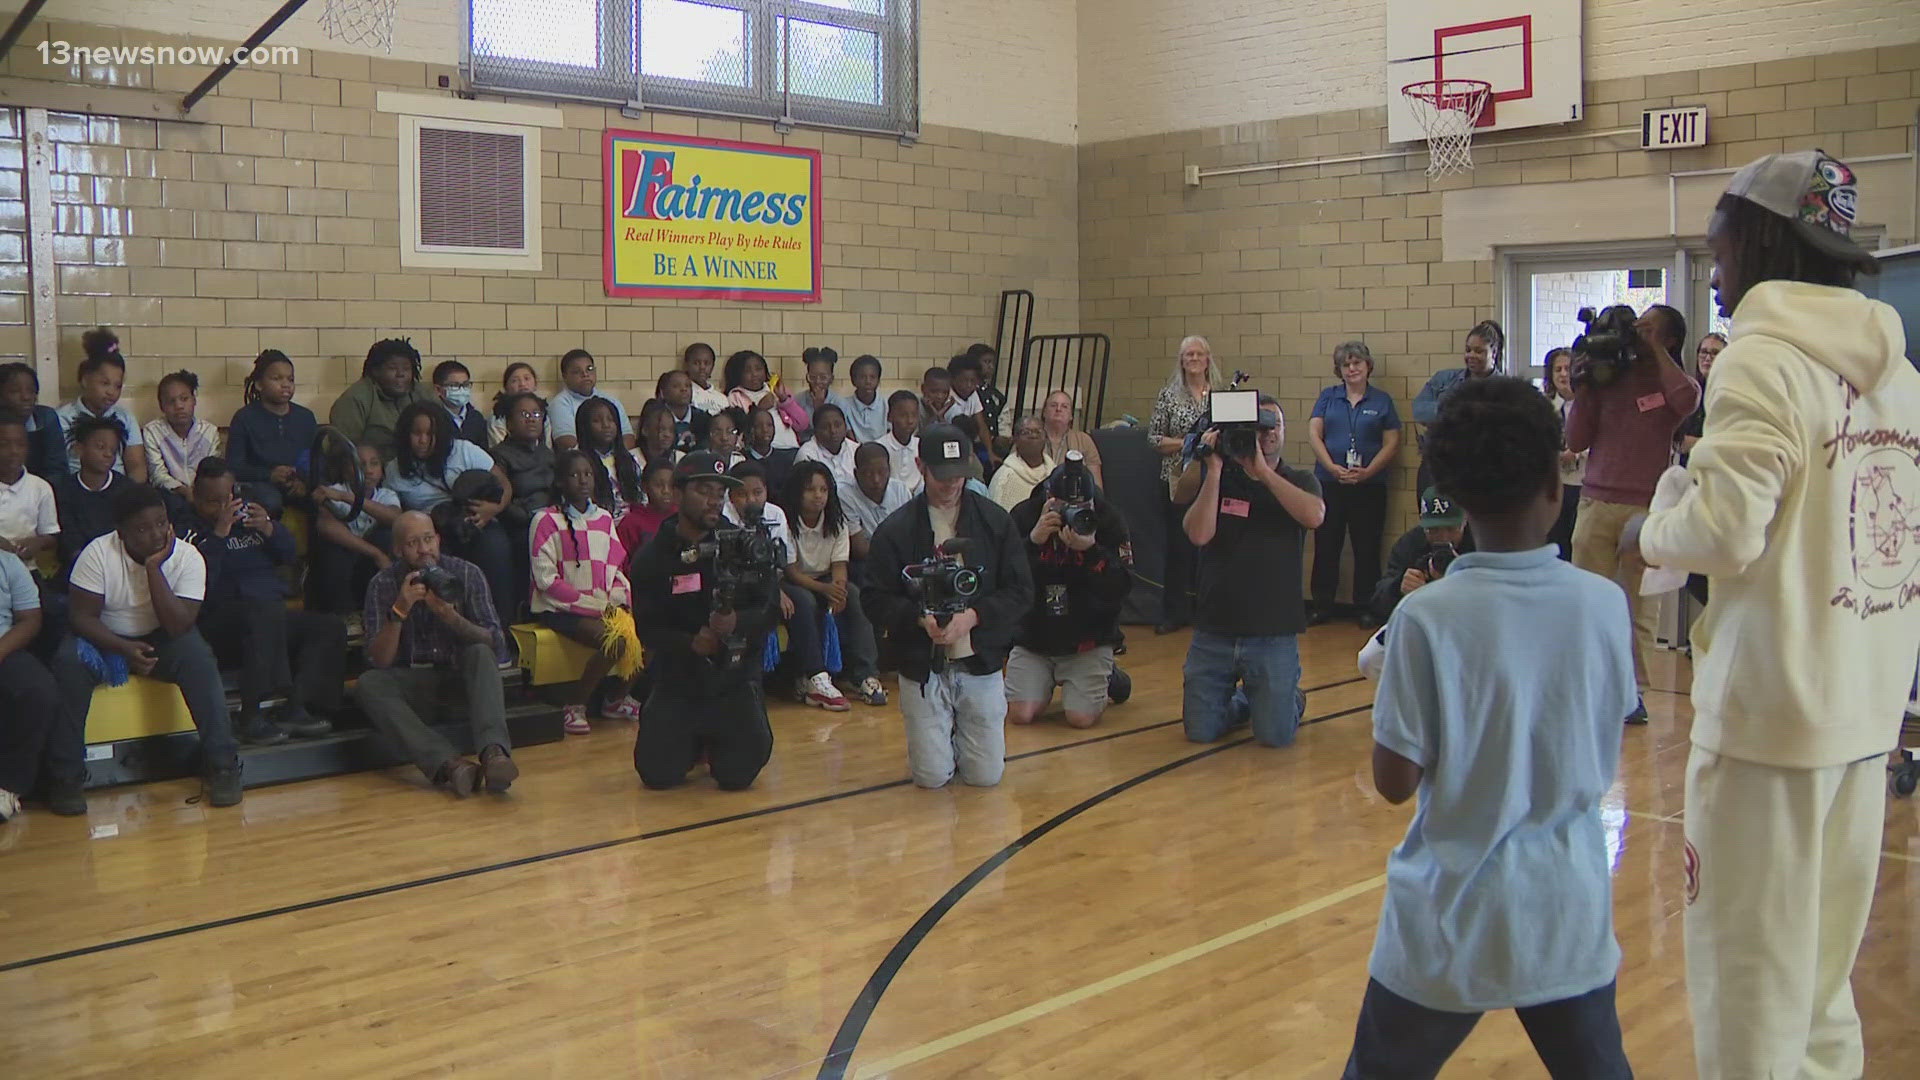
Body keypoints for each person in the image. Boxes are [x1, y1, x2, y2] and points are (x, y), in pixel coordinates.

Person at [1621, 150, 1920, 1080]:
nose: (1716, 278)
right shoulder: (1899, 374)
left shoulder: (1762, 362)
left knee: (1750, 985)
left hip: (1769, 722)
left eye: (1718, 251)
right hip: (1865, 716)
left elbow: (1723, 531)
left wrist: (1649, 525)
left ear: (1759, 240)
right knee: (1823, 984)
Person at [1343, 375, 1636, 1079]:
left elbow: (1392, 783)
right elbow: (1603, 727)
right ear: (1556, 487)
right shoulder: (1603, 604)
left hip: (1449, 915)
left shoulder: (1427, 617)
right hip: (1565, 908)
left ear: (1455, 496)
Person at [863, 423, 1033, 789]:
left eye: (960, 476)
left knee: (986, 776)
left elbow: (1020, 591)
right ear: (922, 466)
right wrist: (919, 619)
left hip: (980, 660)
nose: (952, 484)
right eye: (942, 476)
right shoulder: (896, 530)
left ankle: (961, 740)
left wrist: (974, 617)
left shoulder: (995, 522)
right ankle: (935, 744)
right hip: (922, 664)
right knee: (931, 777)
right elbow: (874, 599)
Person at [51, 485, 239, 811]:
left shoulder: (187, 557)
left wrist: (153, 568)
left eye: (161, 523)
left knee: (199, 658)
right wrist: (123, 648)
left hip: (163, 636)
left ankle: (222, 765)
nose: (155, 534)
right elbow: (81, 617)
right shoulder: (97, 554)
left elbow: (179, 626)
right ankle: (65, 776)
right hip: (104, 638)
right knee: (68, 662)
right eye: (142, 528)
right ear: (121, 533)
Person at [1566, 303, 1699, 725]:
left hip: (1648, 509)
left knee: (1638, 608)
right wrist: (1585, 390)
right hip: (1597, 503)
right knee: (1588, 601)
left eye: (1650, 327)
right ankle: (1588, 686)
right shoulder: (1610, 377)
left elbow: (1686, 399)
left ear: (1670, 339)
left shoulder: (1667, 379)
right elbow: (1576, 438)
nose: (1638, 330)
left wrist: (1654, 353)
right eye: (1637, 325)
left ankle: (1631, 693)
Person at [1180, 394, 1324, 748]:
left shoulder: (1300, 480)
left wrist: (1262, 472)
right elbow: (1198, 533)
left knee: (1274, 738)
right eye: (1260, 426)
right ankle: (1252, 701)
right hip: (1215, 629)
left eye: (1275, 424)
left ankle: (1287, 698)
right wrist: (1212, 469)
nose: (1269, 432)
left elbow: (1314, 516)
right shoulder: (1221, 479)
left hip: (1272, 631)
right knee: (1200, 732)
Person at [630, 452, 778, 791]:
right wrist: (688, 642)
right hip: (680, 680)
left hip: (735, 680)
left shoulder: (744, 546)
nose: (714, 501)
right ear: (678, 494)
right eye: (704, 491)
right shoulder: (653, 557)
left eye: (720, 493)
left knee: (737, 777)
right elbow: (646, 628)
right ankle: (691, 742)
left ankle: (723, 738)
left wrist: (737, 621)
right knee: (658, 776)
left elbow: (769, 611)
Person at [173, 458, 343, 745]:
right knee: (262, 611)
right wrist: (219, 534)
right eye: (214, 502)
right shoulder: (187, 531)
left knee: (327, 626)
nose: (224, 508)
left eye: (229, 498)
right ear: (196, 497)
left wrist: (269, 528)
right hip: (219, 623)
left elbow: (289, 555)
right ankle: (250, 714)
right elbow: (200, 584)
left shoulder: (250, 521)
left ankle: (296, 706)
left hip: (266, 618)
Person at [355, 511, 517, 797]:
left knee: (480, 652)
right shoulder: (382, 584)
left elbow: (495, 643)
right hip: (414, 685)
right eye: (413, 543)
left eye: (428, 539)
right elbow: (379, 661)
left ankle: (494, 756)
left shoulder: (467, 573)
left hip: (462, 683)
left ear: (439, 540)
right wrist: (399, 612)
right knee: (369, 684)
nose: (423, 550)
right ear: (397, 550)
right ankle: (451, 766)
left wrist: (449, 616)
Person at [1005, 453, 1131, 729]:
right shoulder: (1025, 515)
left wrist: (1092, 552)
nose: (1072, 513)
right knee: (1021, 715)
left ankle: (1110, 675)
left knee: (1080, 718)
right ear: (1050, 498)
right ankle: (1047, 680)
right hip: (1036, 638)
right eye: (1064, 507)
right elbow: (1005, 579)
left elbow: (1122, 587)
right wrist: (1033, 542)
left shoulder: (1108, 519)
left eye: (1081, 506)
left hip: (1087, 639)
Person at [531, 450, 641, 734]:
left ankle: (616, 700)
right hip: (559, 609)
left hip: (602, 608)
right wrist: (594, 606)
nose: (582, 480)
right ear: (560, 482)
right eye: (574, 475)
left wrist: (619, 601)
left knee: (650, 635)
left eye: (588, 474)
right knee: (613, 642)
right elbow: (546, 581)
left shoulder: (604, 518)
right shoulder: (545, 520)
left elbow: (615, 568)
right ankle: (575, 705)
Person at [384, 402, 519, 628]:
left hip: (475, 520)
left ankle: (501, 628)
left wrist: (492, 509)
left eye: (430, 434)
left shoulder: (464, 450)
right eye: (417, 433)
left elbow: (504, 484)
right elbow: (394, 512)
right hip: (430, 531)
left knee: (496, 548)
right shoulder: (394, 469)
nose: (424, 440)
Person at [1307, 341, 1402, 625]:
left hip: (1369, 486)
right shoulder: (1328, 396)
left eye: (1357, 363)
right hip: (1329, 482)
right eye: (1346, 365)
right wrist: (1332, 468)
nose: (1351, 369)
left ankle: (1366, 606)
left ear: (1367, 366)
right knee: (1326, 545)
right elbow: (1314, 433)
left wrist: (1369, 471)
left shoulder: (1382, 400)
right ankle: (1322, 604)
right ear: (1339, 369)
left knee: (1367, 547)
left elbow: (1392, 440)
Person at [782, 460, 886, 707]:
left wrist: (838, 590)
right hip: (793, 581)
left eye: (824, 490)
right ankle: (814, 677)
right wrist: (824, 590)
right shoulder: (785, 521)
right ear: (797, 492)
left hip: (826, 578)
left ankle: (865, 675)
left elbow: (840, 566)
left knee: (856, 596)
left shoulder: (836, 522)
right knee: (805, 601)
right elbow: (792, 572)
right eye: (810, 490)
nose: (818, 496)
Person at [1148, 335, 1223, 635]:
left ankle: (1209, 610)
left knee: (1213, 548)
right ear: (1181, 361)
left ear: (1208, 359)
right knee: (1179, 548)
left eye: (1198, 354)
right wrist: (1188, 443)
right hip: (1178, 480)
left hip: (1214, 480)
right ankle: (1175, 611)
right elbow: (1153, 439)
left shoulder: (1219, 394)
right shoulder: (1169, 395)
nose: (1193, 359)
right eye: (1187, 355)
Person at [1411, 320, 1505, 496]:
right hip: (1438, 463)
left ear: (1494, 352)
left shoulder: (1506, 388)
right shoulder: (1444, 379)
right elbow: (1419, 409)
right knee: (1434, 521)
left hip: (1482, 469)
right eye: (1468, 349)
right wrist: (1458, 411)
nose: (1471, 355)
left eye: (1479, 351)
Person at [309, 444, 402, 616]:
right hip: (343, 562)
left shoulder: (386, 495)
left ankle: (382, 613)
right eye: (360, 465)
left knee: (387, 536)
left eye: (374, 464)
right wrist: (376, 554)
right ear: (345, 470)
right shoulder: (332, 492)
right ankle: (344, 618)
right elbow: (326, 527)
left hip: (366, 566)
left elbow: (396, 519)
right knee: (332, 550)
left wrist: (349, 498)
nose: (368, 470)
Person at [0, 547, 56, 824]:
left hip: (3, 647)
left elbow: (30, 619)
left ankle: (8, 787)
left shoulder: (9, 564)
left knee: (37, 689)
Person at [1370, 488, 1476, 626]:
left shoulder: (1481, 544)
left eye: (1451, 529)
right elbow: (1378, 602)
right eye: (1434, 530)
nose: (1443, 538)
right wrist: (1398, 588)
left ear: (1465, 521)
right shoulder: (1410, 544)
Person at [226, 350, 318, 503]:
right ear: (259, 384)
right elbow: (234, 466)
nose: (286, 385)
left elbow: (316, 461)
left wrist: (303, 481)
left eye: (290, 379)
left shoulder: (306, 417)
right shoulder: (244, 418)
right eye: (277, 378)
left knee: (324, 498)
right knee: (270, 500)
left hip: (299, 483)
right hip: (261, 486)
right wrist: (269, 474)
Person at [58, 328, 148, 483]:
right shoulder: (62, 418)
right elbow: (58, 469)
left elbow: (136, 466)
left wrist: (133, 497)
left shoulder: (125, 417)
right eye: (105, 383)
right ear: (85, 380)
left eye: (118, 386)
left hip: (120, 491)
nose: (111, 392)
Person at [329, 338, 438, 458]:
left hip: (422, 467)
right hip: (375, 471)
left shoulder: (423, 393)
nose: (400, 374)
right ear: (376, 371)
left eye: (406, 369)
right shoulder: (355, 399)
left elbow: (443, 433)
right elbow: (343, 451)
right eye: (392, 368)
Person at [53, 416, 132, 570]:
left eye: (113, 450)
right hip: (78, 568)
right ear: (79, 449)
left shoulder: (127, 489)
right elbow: (68, 539)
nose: (108, 454)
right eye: (101, 447)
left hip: (121, 566)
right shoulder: (63, 490)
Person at [143, 370, 221, 494]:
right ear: (161, 406)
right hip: (170, 494)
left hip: (203, 494)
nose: (179, 406)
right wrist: (182, 491)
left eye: (184, 399)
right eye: (171, 401)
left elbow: (212, 471)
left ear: (194, 400)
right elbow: (157, 474)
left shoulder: (209, 432)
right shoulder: (153, 432)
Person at [1541, 347, 1585, 560]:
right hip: (1555, 485)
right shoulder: (1545, 407)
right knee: (1556, 546)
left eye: (1568, 368)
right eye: (1557, 369)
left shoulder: (1588, 405)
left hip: (1583, 484)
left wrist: (1576, 452)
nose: (1563, 374)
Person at [841, 441, 912, 575]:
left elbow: (911, 536)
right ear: (856, 474)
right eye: (868, 474)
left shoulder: (900, 490)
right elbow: (860, 549)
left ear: (889, 470)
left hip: (899, 558)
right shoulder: (845, 495)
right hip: (866, 562)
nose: (876, 480)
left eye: (882, 472)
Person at [0, 416, 59, 569]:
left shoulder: (40, 488)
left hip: (26, 569)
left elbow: (51, 534)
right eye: (4, 445)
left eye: (20, 445)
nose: (13, 451)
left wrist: (37, 542)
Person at [549, 348, 630, 453]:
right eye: (577, 372)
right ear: (565, 377)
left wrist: (613, 457)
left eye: (589, 369)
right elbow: (566, 442)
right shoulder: (560, 403)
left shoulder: (610, 400)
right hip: (584, 462)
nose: (585, 374)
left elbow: (628, 438)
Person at [0, 362, 68, 483]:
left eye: (31, 391)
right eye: (15, 391)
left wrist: (36, 493)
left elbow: (57, 469)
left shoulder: (46, 418)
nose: (26, 397)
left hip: (41, 493)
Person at [577, 395, 643, 519]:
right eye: (597, 421)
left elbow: (640, 498)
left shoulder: (630, 460)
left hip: (630, 526)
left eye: (611, 419)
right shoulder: (578, 462)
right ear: (584, 427)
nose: (606, 425)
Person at [726, 348, 804, 450]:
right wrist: (759, 409)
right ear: (738, 375)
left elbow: (802, 424)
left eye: (758, 369)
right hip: (762, 451)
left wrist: (784, 399)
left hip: (790, 447)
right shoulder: (735, 397)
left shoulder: (776, 390)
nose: (754, 374)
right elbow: (740, 433)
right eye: (747, 371)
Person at [1676, 332, 1728, 461]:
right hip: (1688, 467)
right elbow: (1678, 442)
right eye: (1703, 352)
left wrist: (1695, 443)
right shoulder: (1690, 391)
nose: (1708, 358)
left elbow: (1728, 443)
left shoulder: (1729, 394)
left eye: (1715, 353)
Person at [987, 415, 1053, 512]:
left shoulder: (1054, 473)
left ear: (1046, 438)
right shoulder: (1004, 478)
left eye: (1038, 432)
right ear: (1015, 439)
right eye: (1026, 432)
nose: (1033, 435)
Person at [1040, 389, 1103, 488]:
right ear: (1044, 412)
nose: (1058, 409)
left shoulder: (1084, 440)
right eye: (1053, 405)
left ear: (1071, 416)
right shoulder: (1030, 438)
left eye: (1065, 406)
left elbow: (1096, 486)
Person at [616, 459, 677, 555]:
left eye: (671, 485)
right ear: (645, 487)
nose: (666, 491)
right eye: (659, 485)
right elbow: (621, 560)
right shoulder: (631, 523)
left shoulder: (683, 517)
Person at [795, 402, 859, 488]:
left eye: (837, 425)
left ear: (845, 426)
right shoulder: (807, 455)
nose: (833, 431)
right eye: (825, 427)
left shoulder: (856, 450)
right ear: (815, 431)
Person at [432, 360, 491, 448]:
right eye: (454, 385)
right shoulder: (432, 419)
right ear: (438, 389)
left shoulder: (477, 418)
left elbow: (484, 452)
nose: (462, 390)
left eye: (465, 384)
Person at [487, 362, 546, 446]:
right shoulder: (498, 415)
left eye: (526, 378)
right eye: (515, 381)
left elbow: (547, 447)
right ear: (506, 387)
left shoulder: (543, 411)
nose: (522, 384)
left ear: (535, 384)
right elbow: (498, 447)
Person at [742, 406, 796, 493]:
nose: (765, 430)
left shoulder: (785, 460)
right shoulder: (743, 460)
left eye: (769, 425)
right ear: (750, 430)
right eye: (758, 426)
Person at [795, 346, 852, 429]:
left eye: (823, 378)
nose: (817, 382)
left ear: (831, 379)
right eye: (813, 377)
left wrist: (819, 408)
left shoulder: (839, 403)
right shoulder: (798, 400)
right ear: (807, 377)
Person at [878, 390, 923, 494]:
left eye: (914, 415)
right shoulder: (880, 447)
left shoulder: (922, 445)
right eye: (903, 415)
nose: (910, 421)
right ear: (890, 417)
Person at [656, 369, 710, 449]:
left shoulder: (703, 418)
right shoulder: (656, 418)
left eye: (688, 385)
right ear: (663, 393)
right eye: (676, 386)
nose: (684, 389)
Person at [843, 354, 888, 443]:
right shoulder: (844, 405)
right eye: (863, 377)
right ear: (853, 380)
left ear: (878, 380)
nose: (868, 382)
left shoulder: (886, 405)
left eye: (872, 377)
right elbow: (849, 438)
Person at [681, 341, 729, 416]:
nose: (702, 367)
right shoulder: (684, 393)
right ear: (686, 364)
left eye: (707, 363)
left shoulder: (722, 398)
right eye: (696, 363)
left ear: (713, 366)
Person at [635, 398, 682, 470]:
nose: (667, 435)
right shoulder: (631, 459)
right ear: (645, 430)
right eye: (661, 429)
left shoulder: (680, 459)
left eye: (671, 430)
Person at [706, 405, 749, 473]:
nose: (724, 438)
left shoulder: (740, 461)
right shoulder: (702, 460)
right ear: (709, 435)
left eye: (730, 432)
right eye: (717, 432)